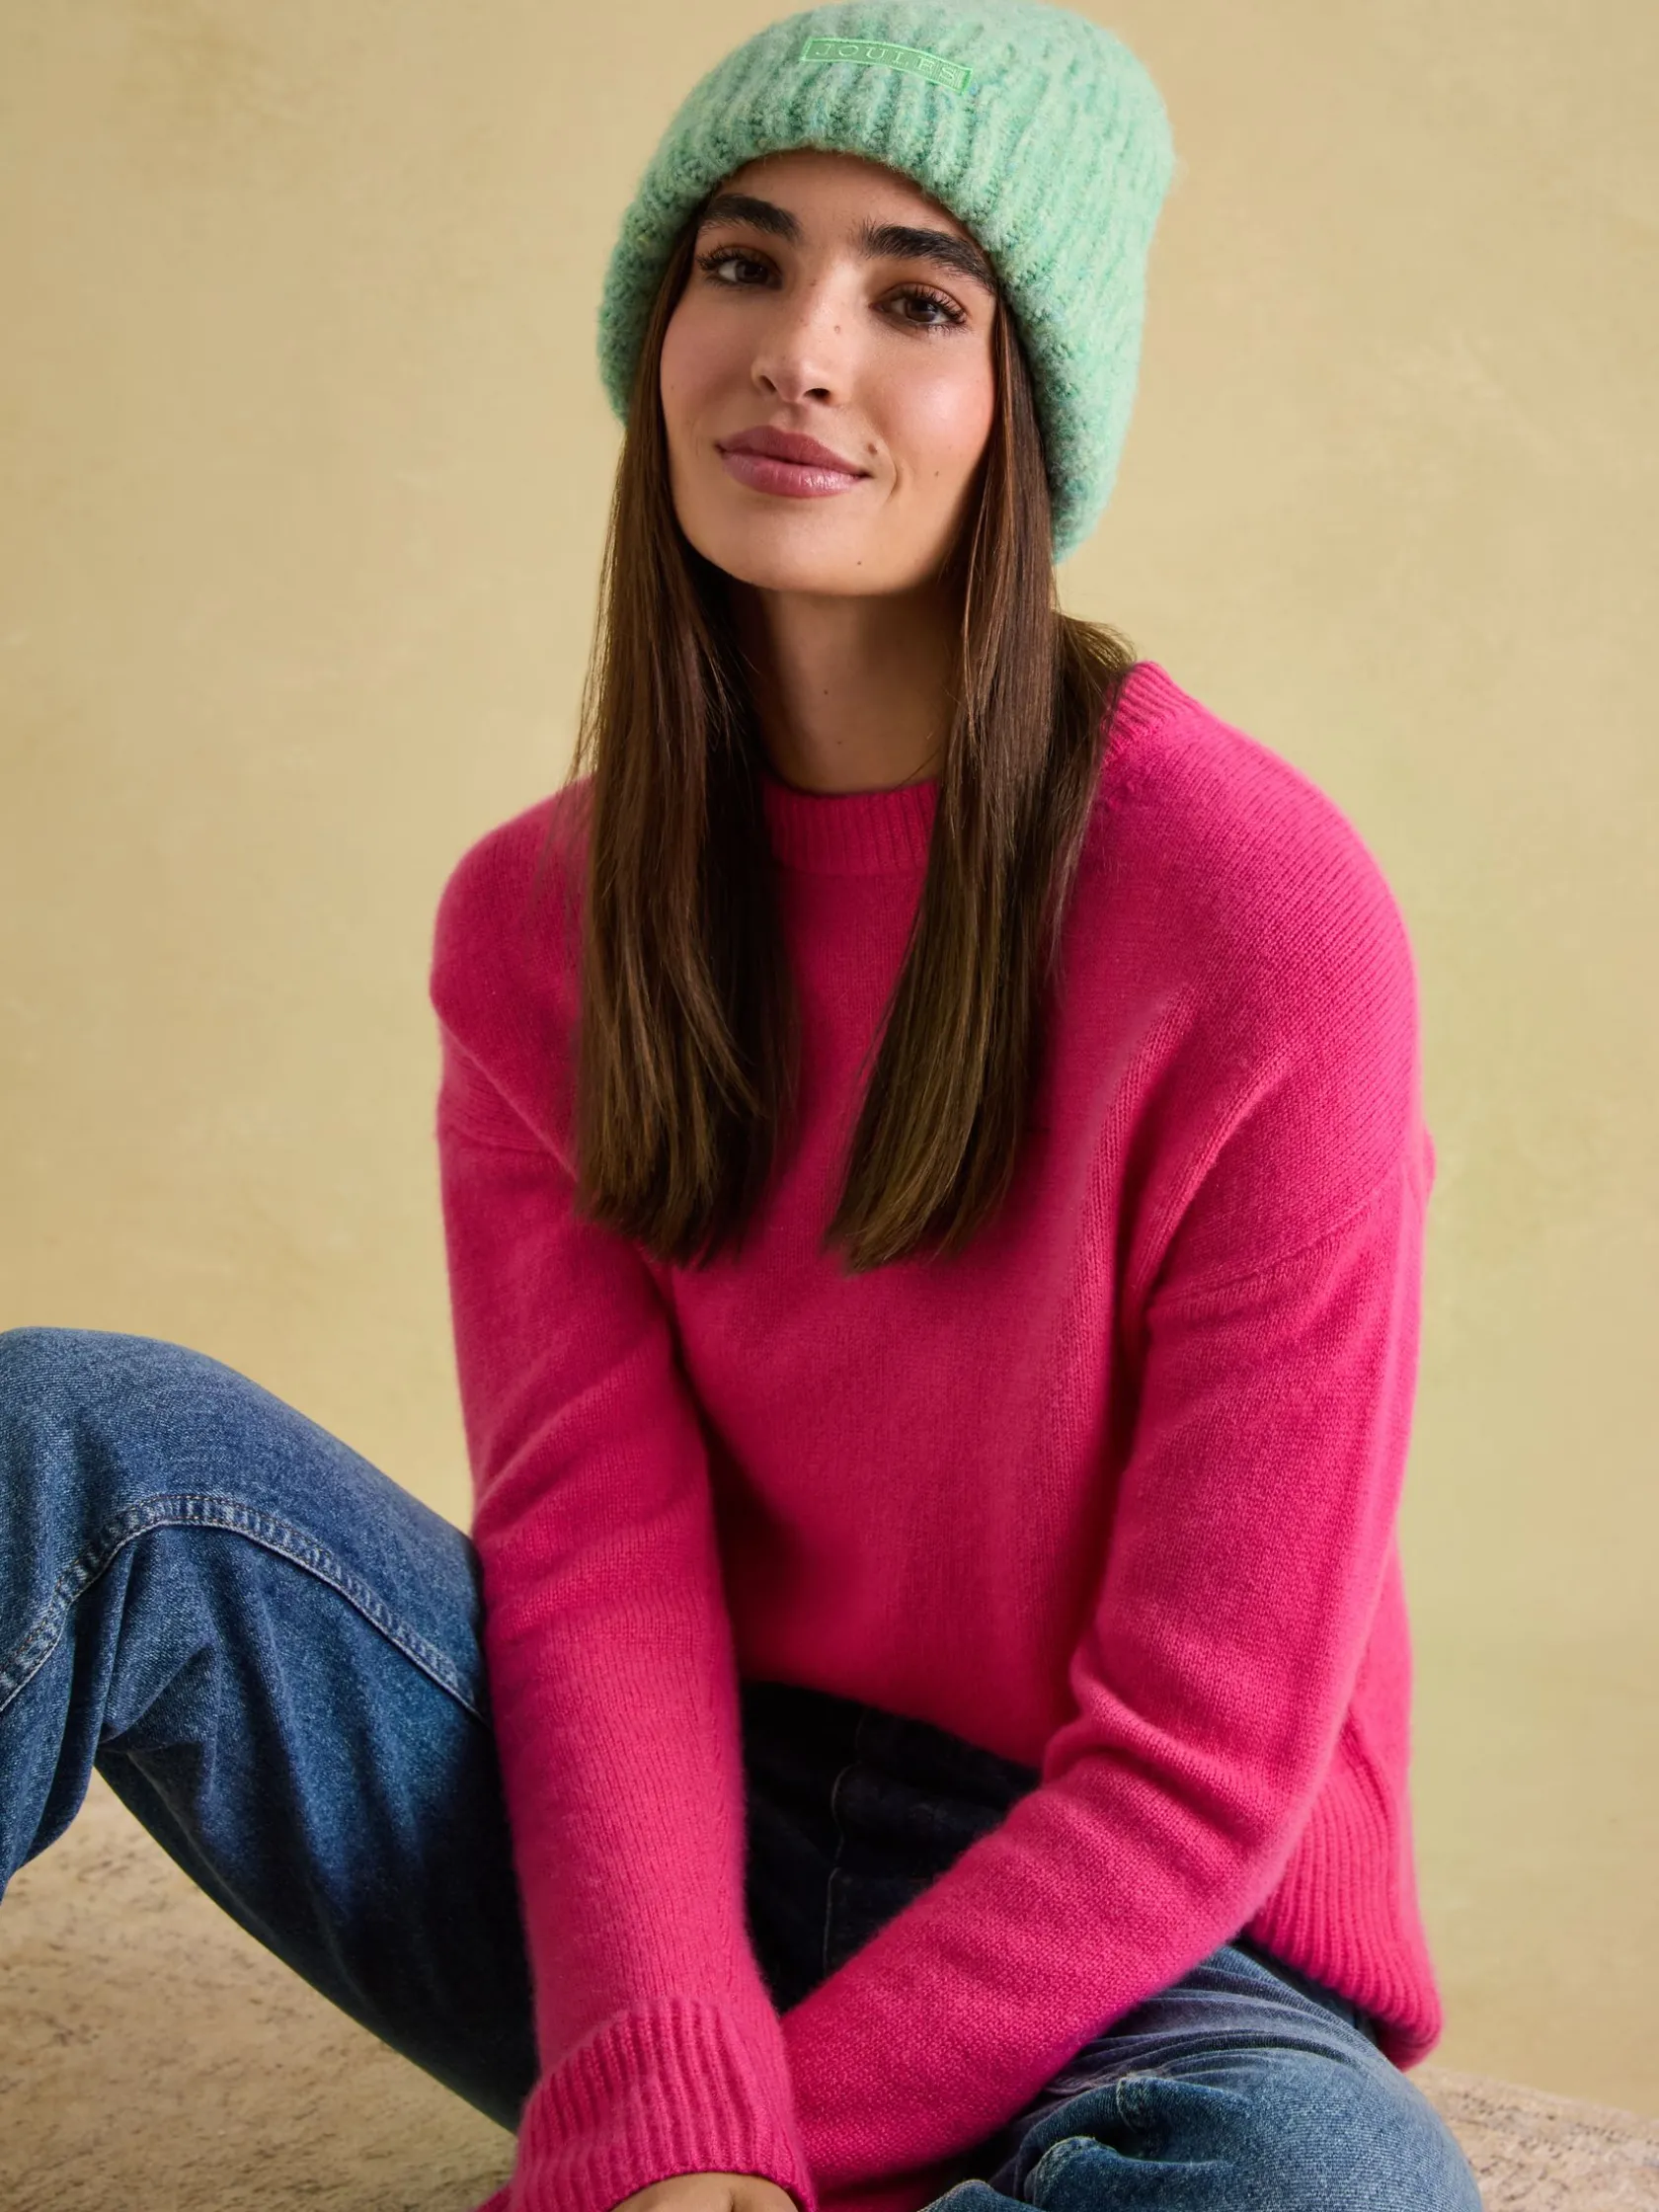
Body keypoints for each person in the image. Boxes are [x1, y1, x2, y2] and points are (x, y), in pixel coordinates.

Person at [0, 5, 1484, 2212]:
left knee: (1333, 2193)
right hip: (663, 1860)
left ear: (1025, 408)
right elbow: (596, 1559)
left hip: (1137, 1950)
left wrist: (734, 2159)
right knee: (74, 1442)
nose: (800, 352)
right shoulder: (540, 923)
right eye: (742, 262)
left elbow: (1197, 1768)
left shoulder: (1257, 919)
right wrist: (662, 2079)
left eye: (917, 301)